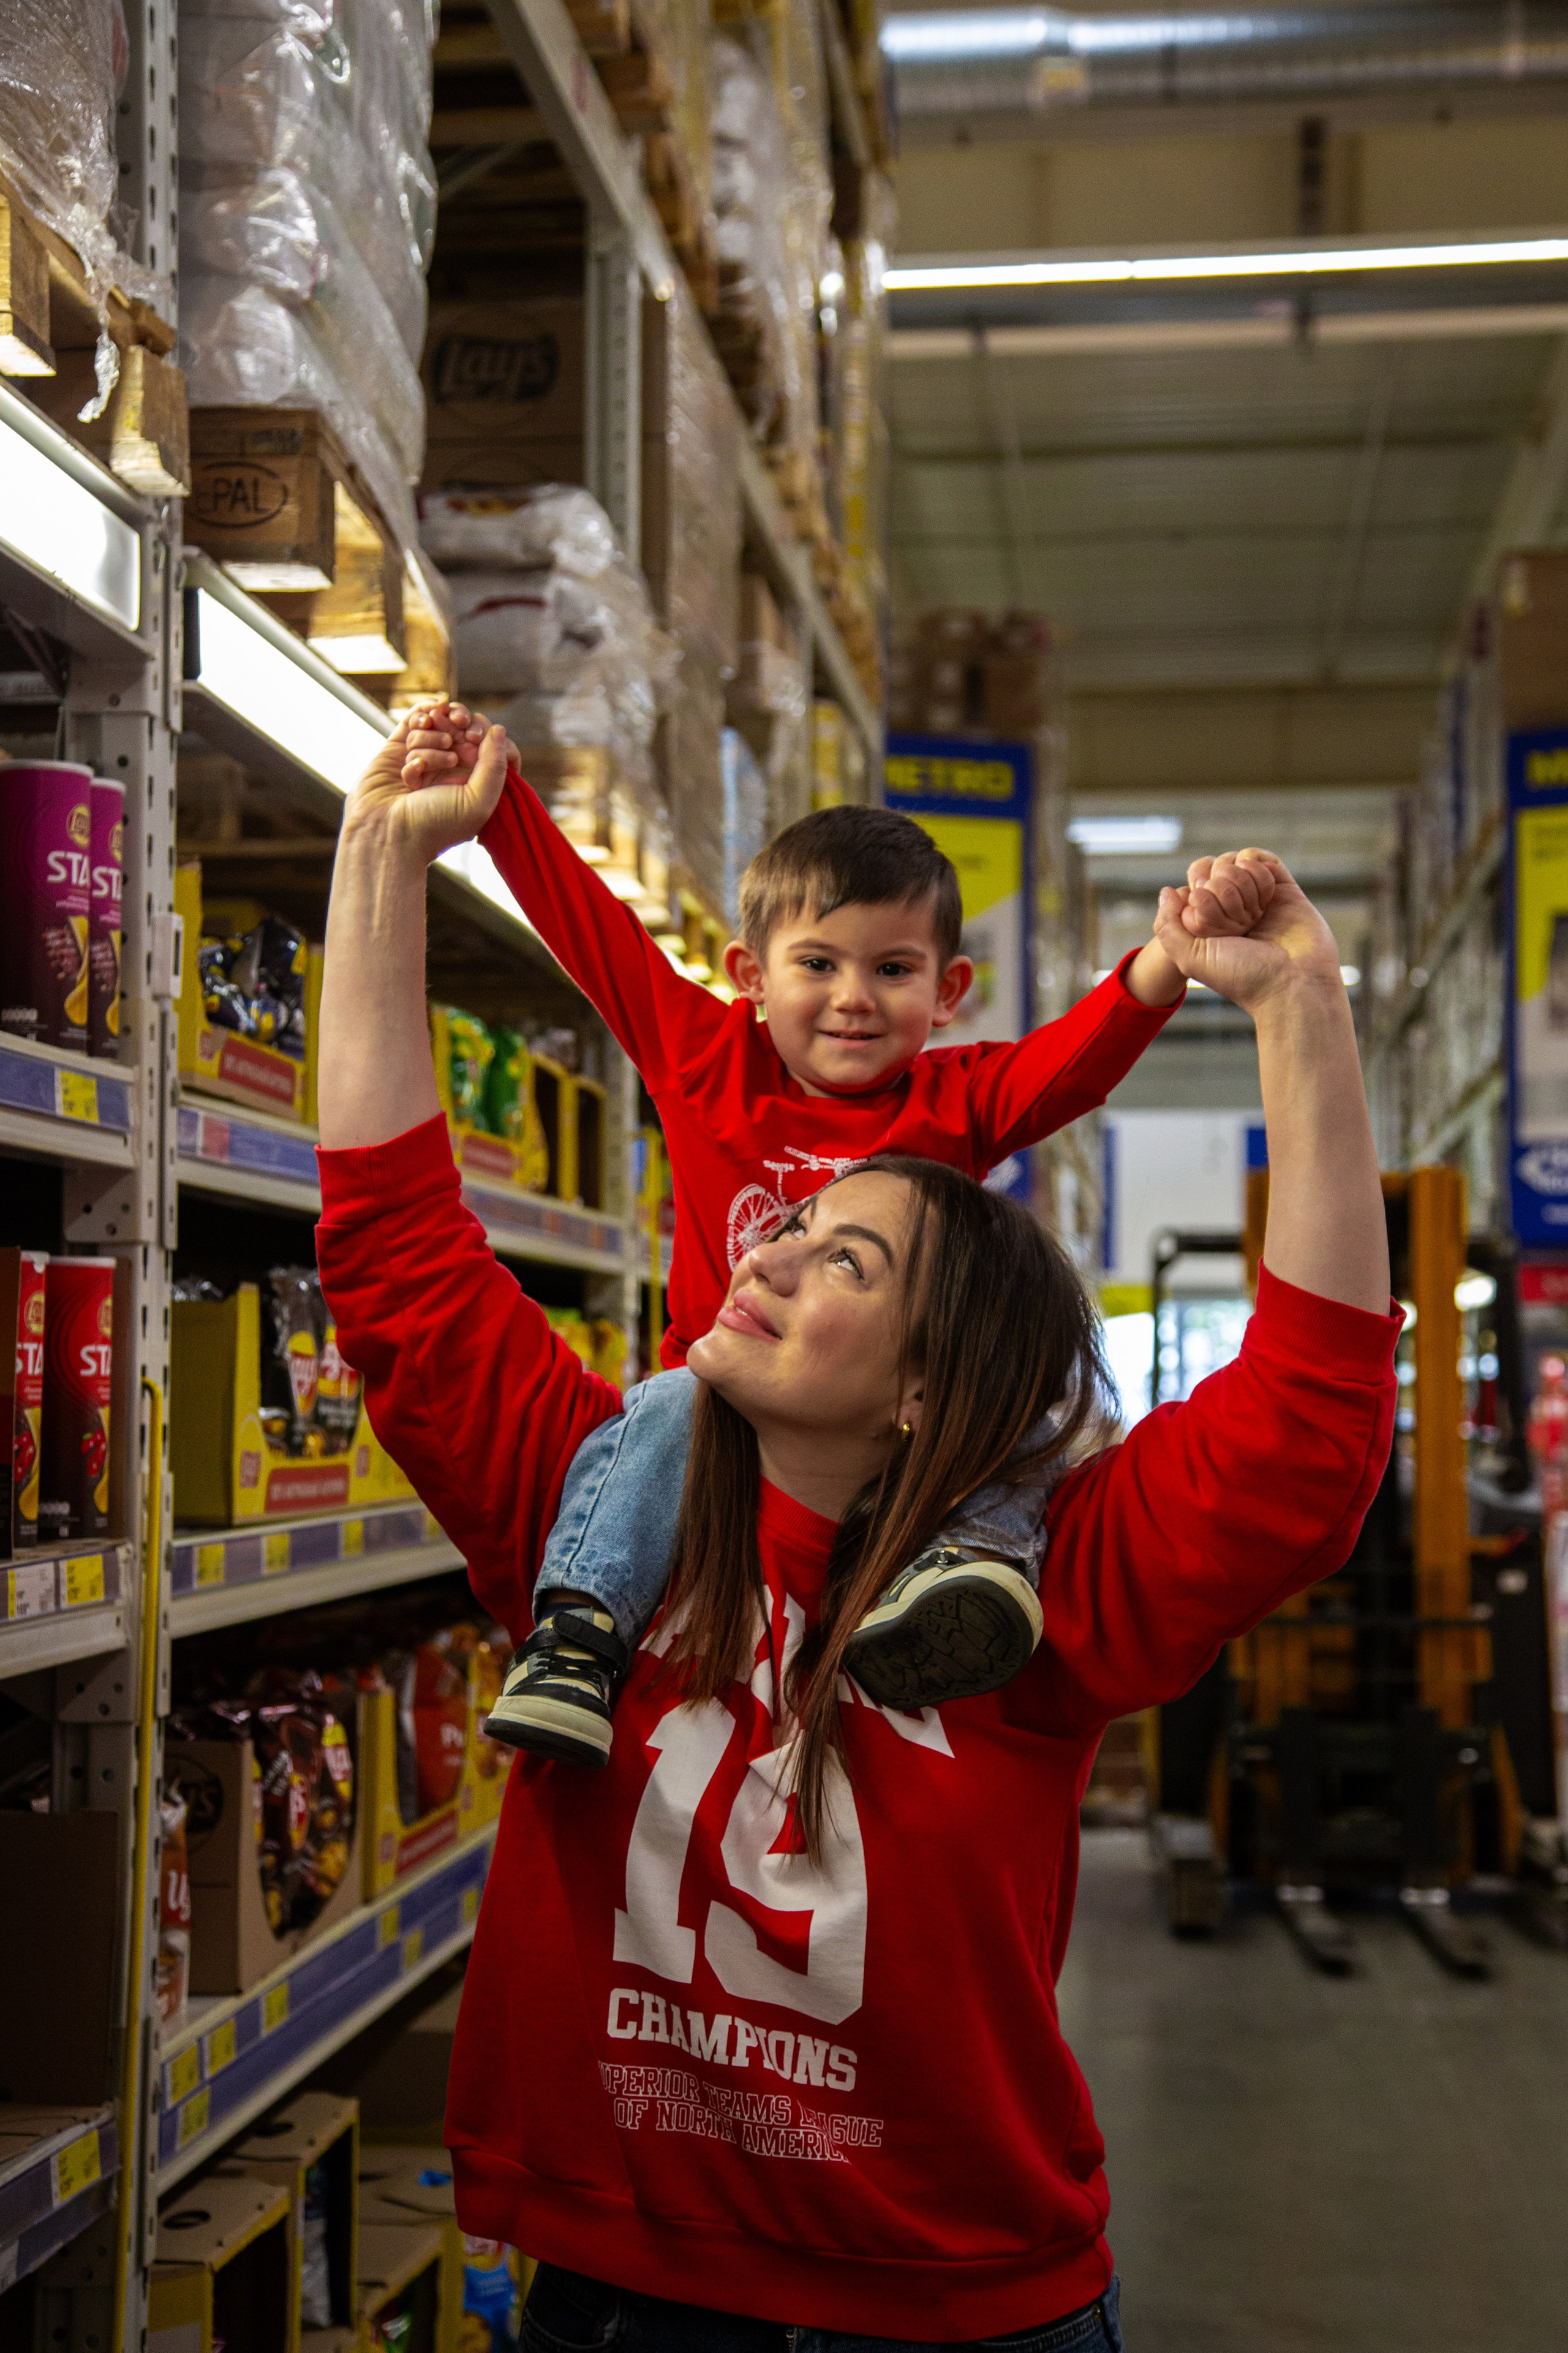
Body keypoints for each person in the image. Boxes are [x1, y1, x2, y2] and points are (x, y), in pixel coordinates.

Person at [315, 718, 1397, 2352]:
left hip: (958, 2307)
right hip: (622, 2293)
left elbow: (1308, 1425)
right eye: (795, 1223)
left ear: (928, 1386)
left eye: (848, 1264)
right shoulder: (592, 1502)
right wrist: (389, 854)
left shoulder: (1034, 1601)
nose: (768, 1253)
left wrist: (1298, 1004)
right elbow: (396, 1250)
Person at [398, 700, 1281, 1766]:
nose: (854, 999)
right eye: (818, 964)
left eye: (893, 969)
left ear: (949, 990)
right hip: (724, 1415)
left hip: (896, 1428)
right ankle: (580, 1631)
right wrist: (500, 809)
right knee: (660, 1405)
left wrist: (1167, 962)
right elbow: (597, 934)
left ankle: (965, 1578)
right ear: (749, 976)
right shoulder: (701, 1057)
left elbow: (1075, 1059)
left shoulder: (960, 1099)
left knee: (1016, 1417)